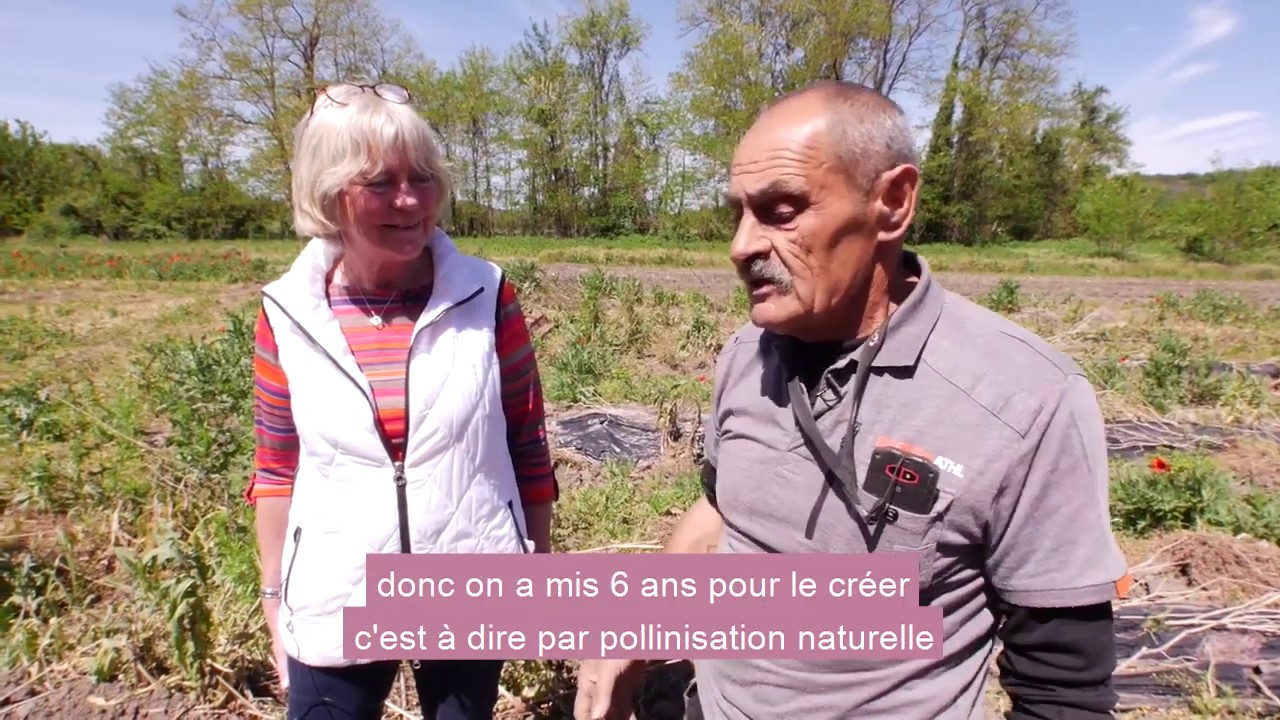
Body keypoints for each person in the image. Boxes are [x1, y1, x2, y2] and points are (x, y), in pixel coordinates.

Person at [574, 80, 1130, 720]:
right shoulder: (745, 353)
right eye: (738, 214)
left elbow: (1062, 689)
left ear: (892, 203)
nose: (740, 246)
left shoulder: (1025, 401)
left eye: (782, 211)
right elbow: (720, 509)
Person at [245, 81, 559, 720]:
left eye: (423, 177)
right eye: (380, 183)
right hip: (339, 589)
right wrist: (275, 599)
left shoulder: (487, 296)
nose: (411, 199)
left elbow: (528, 443)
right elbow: (277, 470)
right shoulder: (287, 314)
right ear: (329, 191)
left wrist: (537, 571)